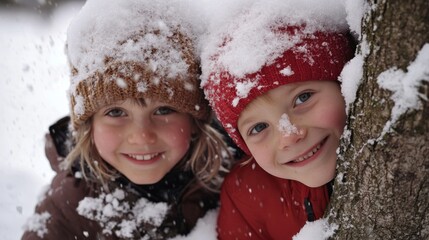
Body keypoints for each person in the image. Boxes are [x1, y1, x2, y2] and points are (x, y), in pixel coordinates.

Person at [21, 0, 233, 239]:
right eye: (116, 113)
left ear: (195, 122)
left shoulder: (231, 181)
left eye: (163, 111)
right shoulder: (69, 205)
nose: (141, 135)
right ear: (89, 126)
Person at [201, 4, 356, 239]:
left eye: (302, 98)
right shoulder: (245, 194)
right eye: (259, 127)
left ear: (345, 82)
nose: (290, 135)